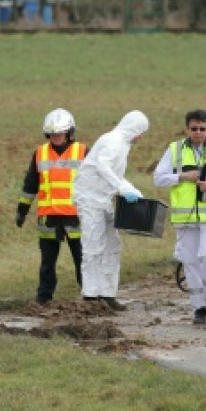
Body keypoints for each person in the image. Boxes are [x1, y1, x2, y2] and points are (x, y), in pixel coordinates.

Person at [153, 110, 206, 324]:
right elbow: (158, 178)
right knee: (190, 261)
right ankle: (199, 308)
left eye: (202, 129)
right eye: (194, 129)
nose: (198, 133)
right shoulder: (175, 150)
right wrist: (182, 177)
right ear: (187, 129)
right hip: (185, 218)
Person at [73, 110, 149, 311]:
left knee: (112, 245)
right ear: (135, 129)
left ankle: (107, 293)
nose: (141, 137)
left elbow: (113, 174)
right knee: (93, 246)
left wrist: (132, 190)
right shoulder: (112, 141)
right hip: (89, 198)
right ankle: (90, 295)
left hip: (103, 198)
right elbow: (102, 166)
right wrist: (122, 188)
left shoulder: (122, 144)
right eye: (141, 132)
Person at [15, 108, 86, 305]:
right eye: (53, 134)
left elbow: (95, 181)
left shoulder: (83, 151)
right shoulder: (40, 153)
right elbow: (30, 185)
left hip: (76, 216)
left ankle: (89, 295)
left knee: (82, 260)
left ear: (70, 133)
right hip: (49, 217)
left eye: (60, 134)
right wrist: (22, 210)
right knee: (47, 263)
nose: (56, 138)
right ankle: (43, 298)